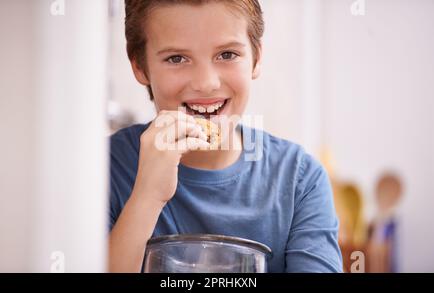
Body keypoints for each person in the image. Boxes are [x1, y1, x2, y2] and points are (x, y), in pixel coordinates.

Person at [108, 0, 342, 273]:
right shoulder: (105, 168)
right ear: (139, 66)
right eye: (176, 58)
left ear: (256, 57)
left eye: (227, 54)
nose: (206, 82)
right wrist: (147, 196)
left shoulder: (301, 180)